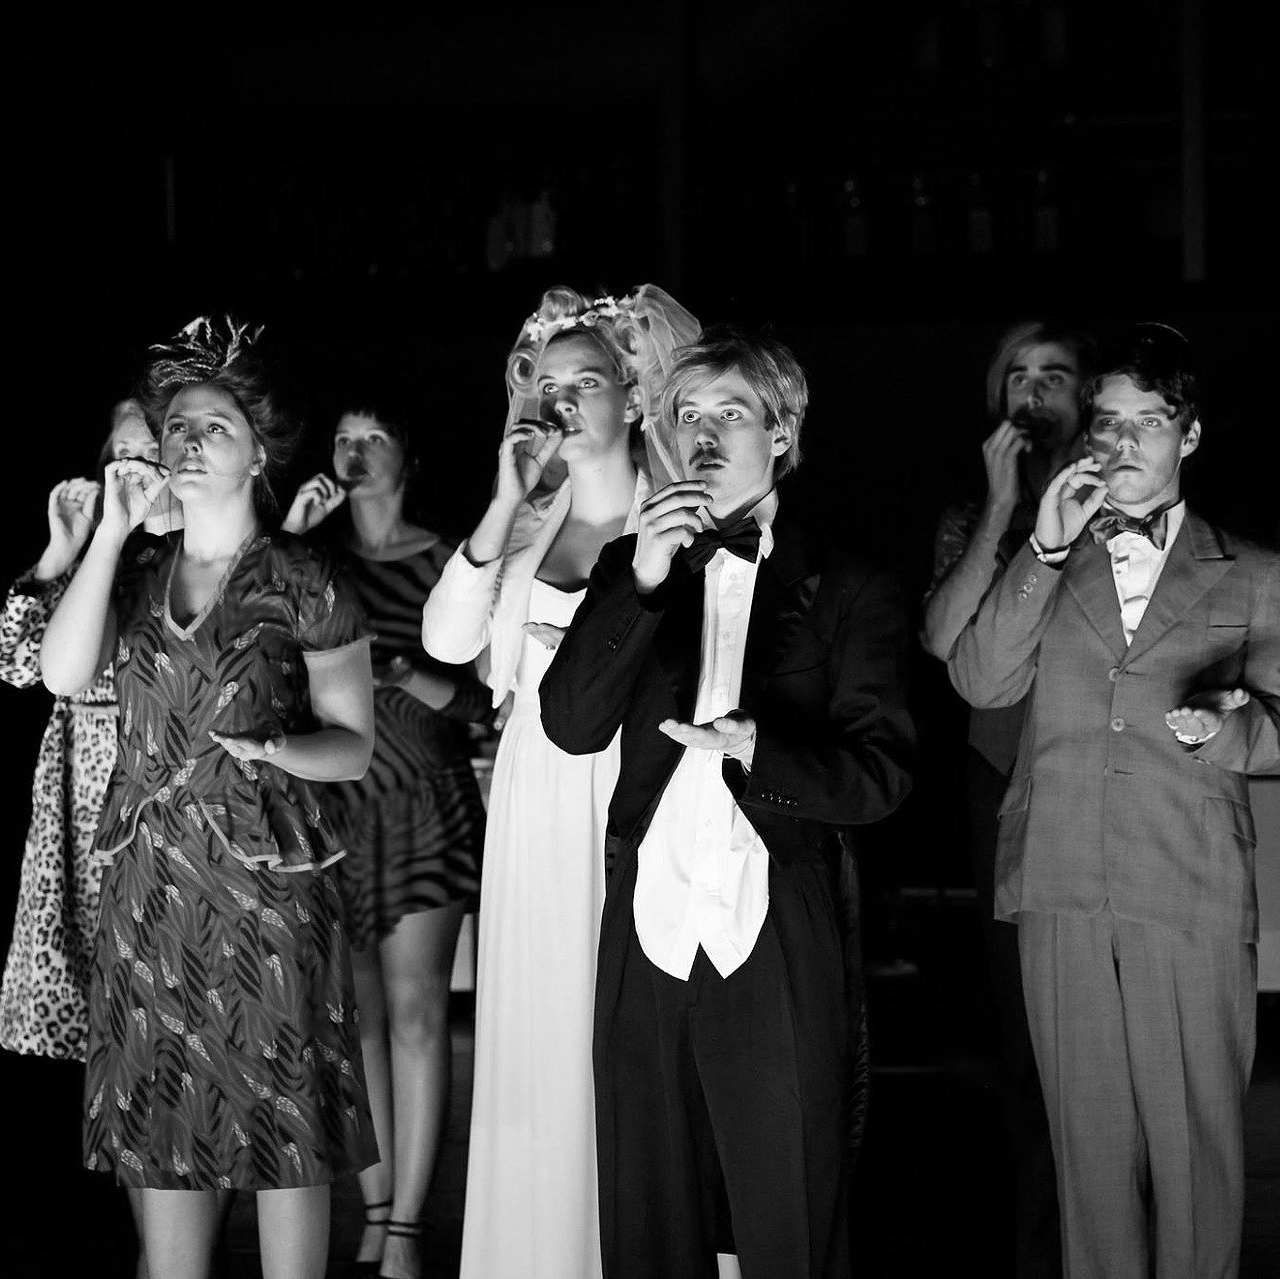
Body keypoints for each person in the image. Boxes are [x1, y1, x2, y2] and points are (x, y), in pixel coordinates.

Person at [540, 327, 915, 1279]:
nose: (702, 434)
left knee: (788, 1209)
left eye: (730, 412)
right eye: (685, 415)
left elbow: (879, 777)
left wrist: (759, 748)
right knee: (647, 1214)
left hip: (776, 922)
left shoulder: (850, 584)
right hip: (647, 928)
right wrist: (645, 582)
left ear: (782, 432)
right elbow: (573, 724)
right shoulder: (635, 566)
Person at [41, 316, 379, 1279]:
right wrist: (109, 528)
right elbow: (66, 674)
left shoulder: (303, 579)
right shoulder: (139, 570)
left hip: (269, 893)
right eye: (176, 427)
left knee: (283, 1133)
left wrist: (279, 745)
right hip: (151, 896)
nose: (188, 443)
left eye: (213, 427)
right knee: (164, 1134)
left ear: (259, 451)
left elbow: (353, 748)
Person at [948, 324, 1280, 1278]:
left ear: (1192, 435)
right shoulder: (1047, 559)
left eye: (1151, 422)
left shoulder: (1252, 572)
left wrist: (1231, 731)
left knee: (1196, 1154)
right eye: (1110, 423)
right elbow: (979, 680)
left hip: (1191, 891)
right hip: (1059, 886)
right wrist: (1043, 554)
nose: (1126, 442)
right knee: (1086, 1160)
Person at [421, 285, 698, 1279]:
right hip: (535, 803)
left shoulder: (664, 517)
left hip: (644, 793)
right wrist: (503, 502)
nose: (567, 399)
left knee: (627, 1042)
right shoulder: (525, 525)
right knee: (539, 1043)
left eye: (590, 381)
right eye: (549, 384)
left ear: (632, 395)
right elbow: (447, 641)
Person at [282, 395, 489, 1279]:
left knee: (415, 1013)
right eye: (344, 438)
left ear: (406, 457)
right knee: (355, 1017)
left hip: (425, 804)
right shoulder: (313, 563)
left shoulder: (447, 557)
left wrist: (406, 671)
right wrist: (292, 534)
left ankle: (407, 1225)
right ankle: (372, 1206)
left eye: (373, 439)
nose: (355, 451)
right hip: (341, 812)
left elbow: (486, 703)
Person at [921, 321, 1094, 1278]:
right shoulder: (970, 515)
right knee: (1023, 1035)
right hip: (1004, 781)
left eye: (1054, 377)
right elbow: (947, 645)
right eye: (1017, 377)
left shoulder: (1124, 503)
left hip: (1101, 775)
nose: (1032, 393)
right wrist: (999, 507)